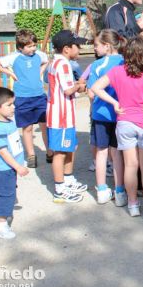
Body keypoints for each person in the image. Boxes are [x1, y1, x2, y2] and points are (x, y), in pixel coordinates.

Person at [91, 37, 143, 218]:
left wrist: (114, 102)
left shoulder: (118, 71)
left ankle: (133, 204)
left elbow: (96, 87)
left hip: (125, 121)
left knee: (130, 165)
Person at [0, 29, 49, 168]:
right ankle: (31, 155)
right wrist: (10, 73)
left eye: (34, 45)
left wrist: (41, 71)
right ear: (20, 47)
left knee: (44, 125)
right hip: (23, 97)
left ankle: (50, 151)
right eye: (29, 46)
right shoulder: (13, 57)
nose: (33, 48)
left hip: (39, 95)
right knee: (27, 127)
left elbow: (46, 60)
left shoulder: (39, 55)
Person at [46, 30, 88, 203]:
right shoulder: (63, 65)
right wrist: (80, 84)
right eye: (76, 46)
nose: (79, 49)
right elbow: (68, 89)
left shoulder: (56, 62)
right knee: (60, 152)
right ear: (66, 49)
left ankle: (68, 179)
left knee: (70, 147)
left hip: (64, 114)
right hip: (60, 116)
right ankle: (60, 187)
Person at [87, 30, 127, 206]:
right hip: (121, 114)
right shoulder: (125, 62)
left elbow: (90, 92)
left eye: (97, 45)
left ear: (107, 46)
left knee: (102, 153)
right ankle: (120, 191)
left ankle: (102, 190)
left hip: (101, 114)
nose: (95, 48)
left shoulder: (97, 65)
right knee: (117, 153)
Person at [0, 87, 29, 240]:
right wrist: (18, 166)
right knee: (7, 195)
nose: (13, 107)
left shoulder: (10, 120)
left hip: (10, 167)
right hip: (4, 168)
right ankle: (1, 225)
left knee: (6, 192)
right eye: (9, 105)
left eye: (13, 104)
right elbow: (3, 152)